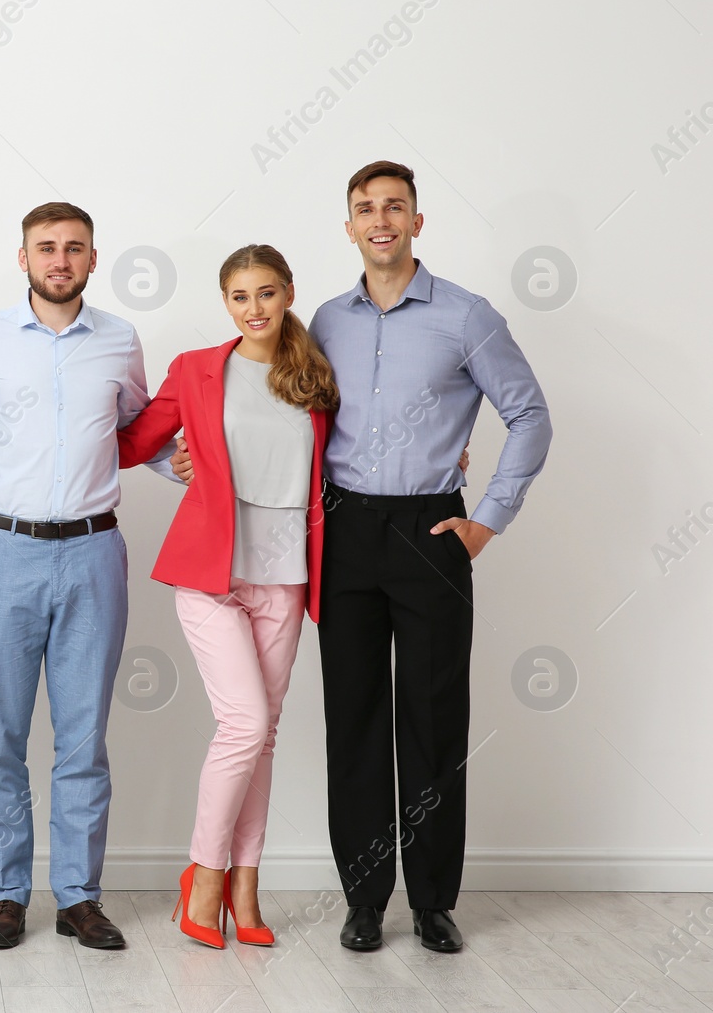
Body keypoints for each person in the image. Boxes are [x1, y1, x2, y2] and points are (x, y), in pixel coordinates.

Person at [172, 162, 551, 954]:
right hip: (341, 531)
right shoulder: (321, 323)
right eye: (364, 209)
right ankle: (365, 899)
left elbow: (529, 414)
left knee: (434, 717)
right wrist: (190, 459)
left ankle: (434, 901)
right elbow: (269, 417)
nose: (380, 219)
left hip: (432, 530)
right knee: (353, 720)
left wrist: (484, 522)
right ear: (347, 227)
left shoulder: (467, 315)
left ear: (418, 220)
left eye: (394, 207)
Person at [0, 201, 177, 951]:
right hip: (2, 552)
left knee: (84, 738)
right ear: (22, 258)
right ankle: (5, 896)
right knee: (0, 735)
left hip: (92, 553)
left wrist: (195, 462)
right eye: (46, 248)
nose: (60, 259)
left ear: (93, 258)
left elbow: (138, 430)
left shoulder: (119, 340)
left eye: (74, 248)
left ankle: (80, 896)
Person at [117, 245, 335, 950]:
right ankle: (204, 876)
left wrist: (442, 450)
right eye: (240, 297)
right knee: (243, 722)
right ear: (226, 303)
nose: (255, 308)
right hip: (212, 576)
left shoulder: (316, 374)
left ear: (289, 292)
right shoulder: (197, 369)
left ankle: (247, 885)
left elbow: (361, 447)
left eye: (267, 293)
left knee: (263, 732)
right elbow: (130, 441)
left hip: (287, 574)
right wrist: (174, 463)